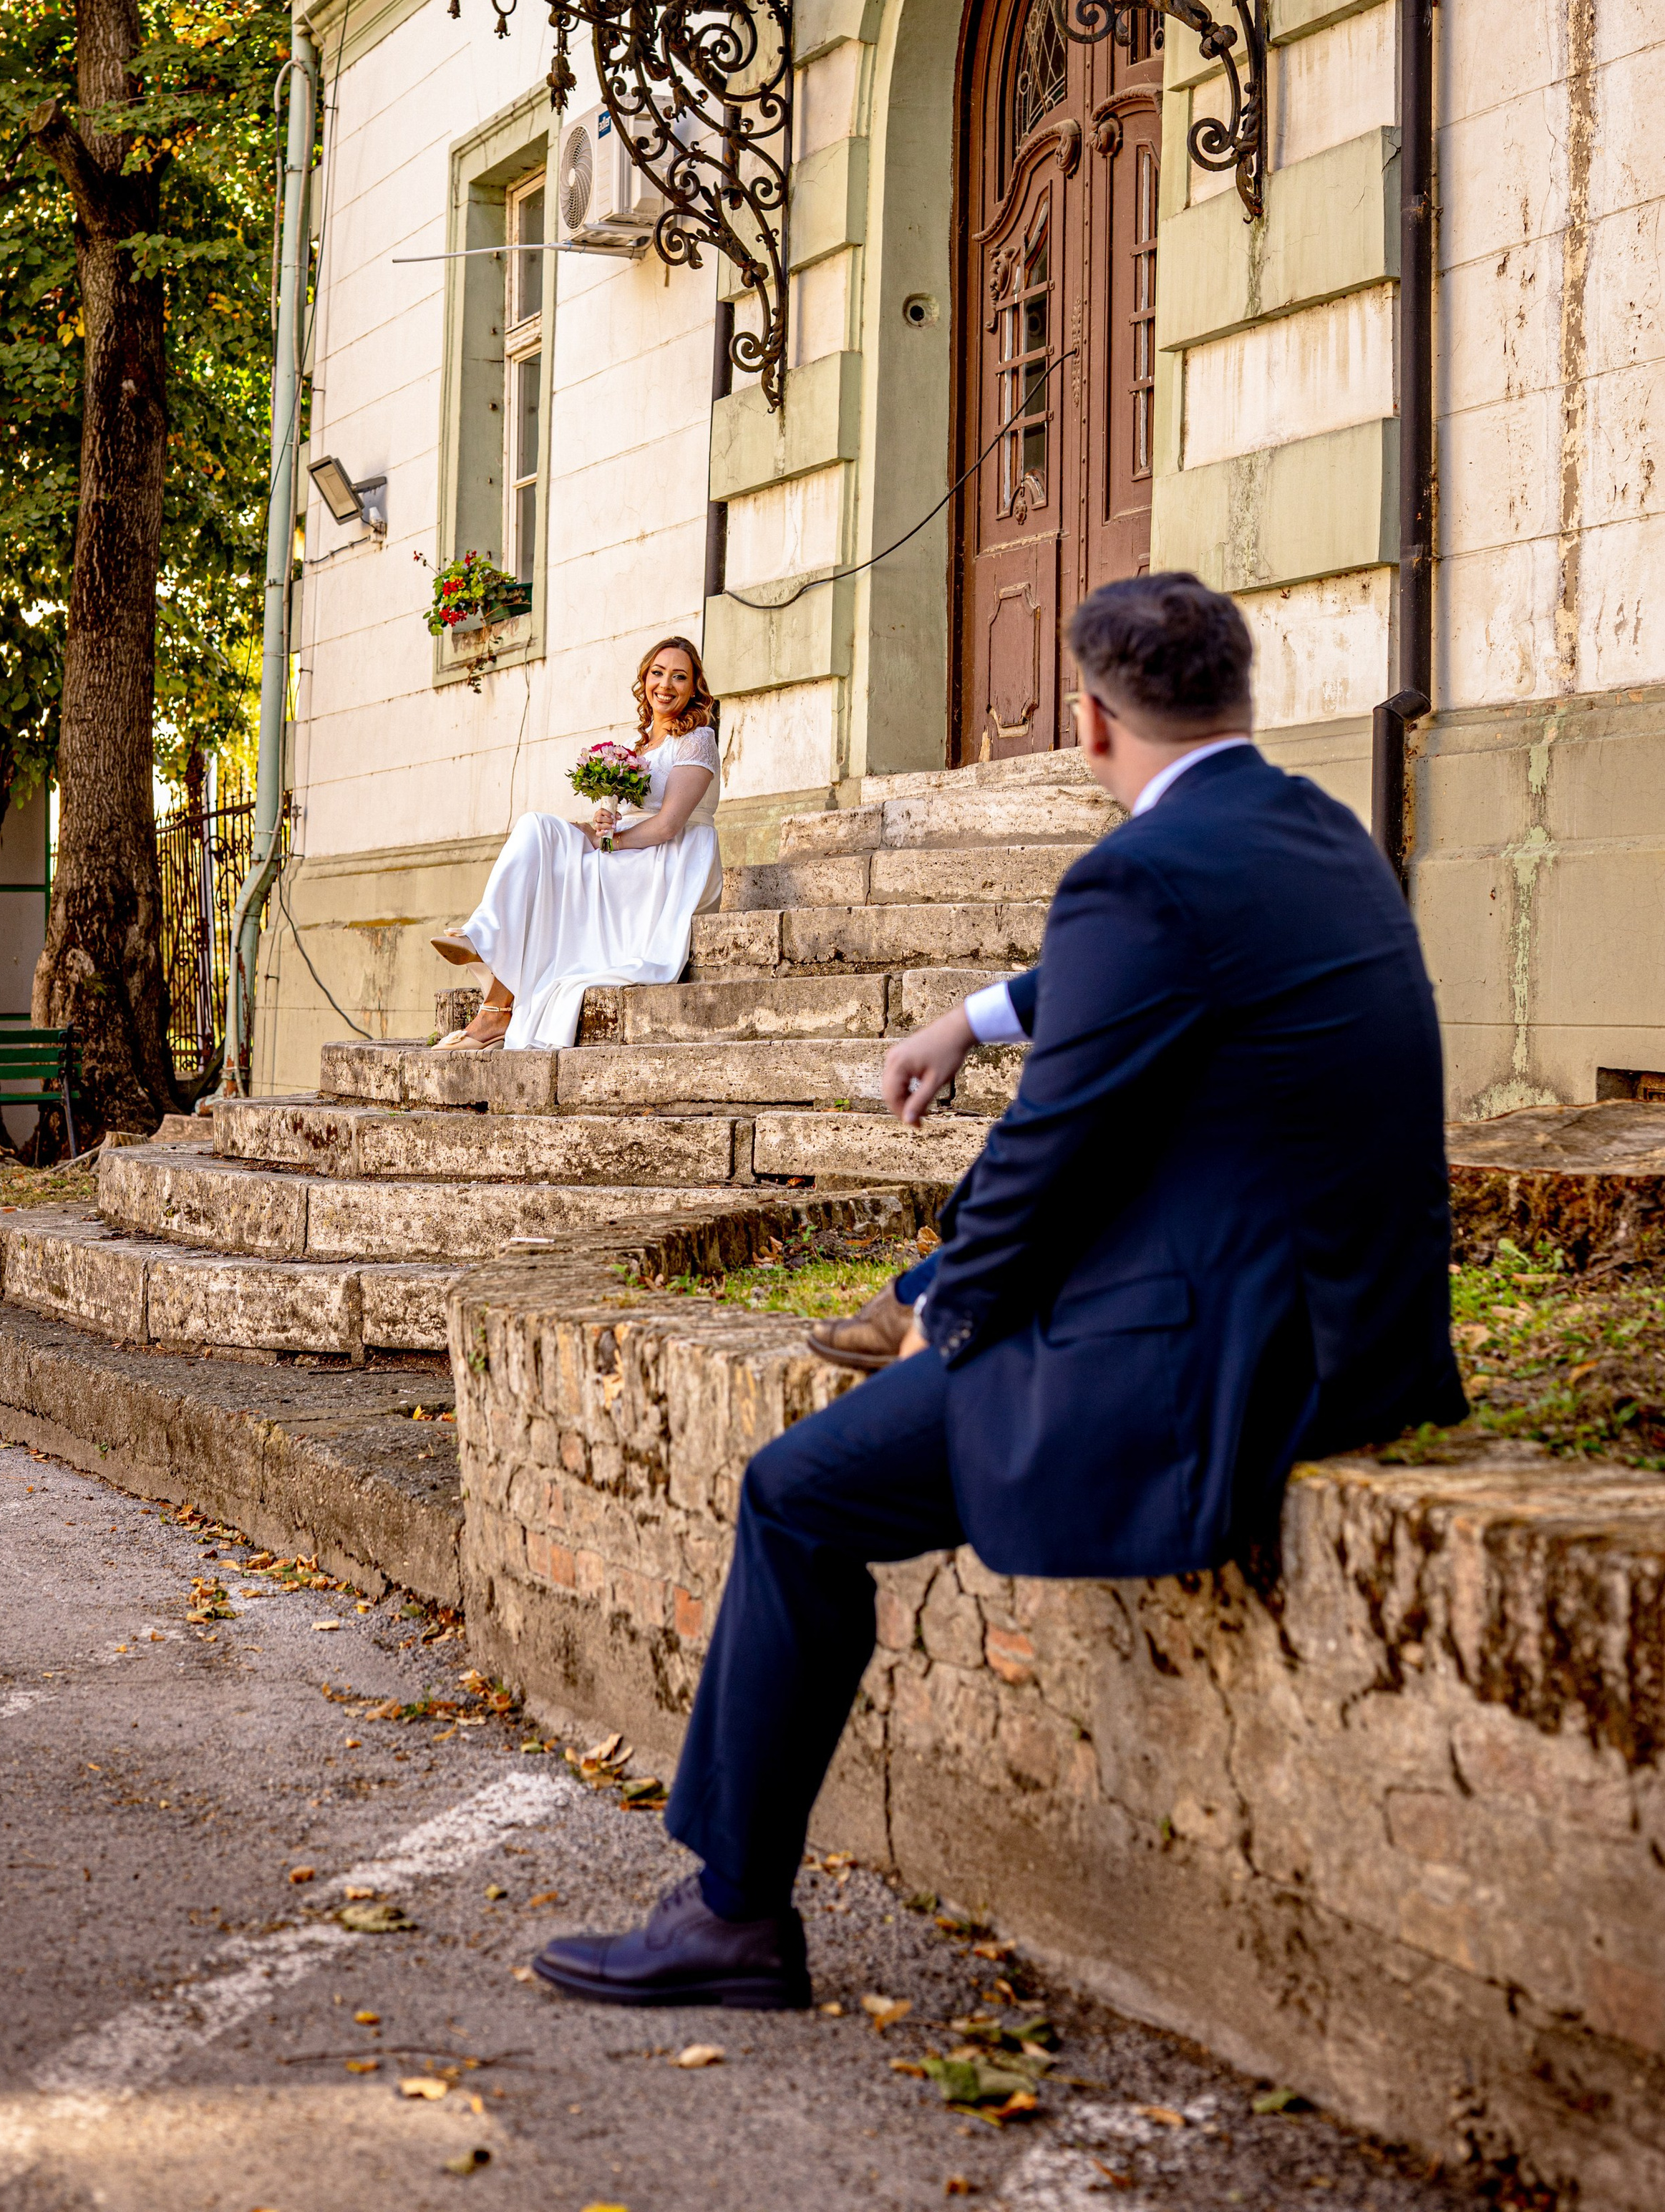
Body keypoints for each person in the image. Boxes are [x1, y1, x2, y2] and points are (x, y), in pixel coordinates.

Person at [530, 571, 1465, 2010]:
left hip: (1216, 1368)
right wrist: (965, 1017)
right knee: (981, 1273)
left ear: (1089, 722)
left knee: (796, 1491)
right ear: (1235, 701)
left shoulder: (1135, 876)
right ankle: (923, 1296)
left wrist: (943, 1322)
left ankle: (731, 1915)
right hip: (1363, 1334)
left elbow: (1049, 1150)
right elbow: (1142, 975)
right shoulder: (1313, 829)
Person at [432, 636, 723, 1051]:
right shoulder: (640, 748)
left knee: (568, 875)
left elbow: (667, 826)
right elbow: (629, 825)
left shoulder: (697, 738)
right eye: (658, 673)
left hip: (674, 862)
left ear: (694, 687)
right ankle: (484, 936)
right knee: (538, 829)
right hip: (633, 850)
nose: (666, 684)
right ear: (645, 679)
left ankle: (496, 1008)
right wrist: (601, 825)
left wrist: (609, 844)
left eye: (680, 676)